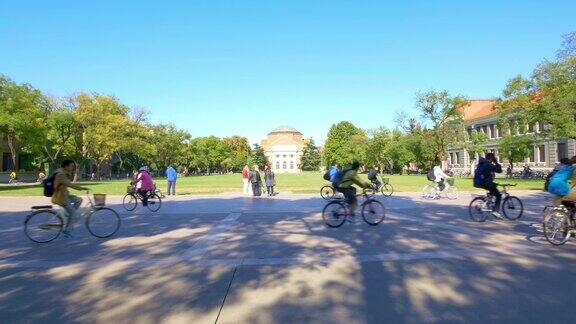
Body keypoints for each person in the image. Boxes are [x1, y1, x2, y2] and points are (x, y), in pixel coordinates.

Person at [52, 160, 89, 237]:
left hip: (64, 195)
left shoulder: (62, 172)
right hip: (61, 197)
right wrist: (82, 188)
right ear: (66, 166)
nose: (72, 168)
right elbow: (70, 184)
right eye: (71, 166)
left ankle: (69, 214)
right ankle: (66, 230)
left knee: (79, 200)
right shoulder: (61, 174)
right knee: (74, 214)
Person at [474, 153, 504, 219]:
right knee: (498, 195)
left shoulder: (482, 163)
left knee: (492, 189)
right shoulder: (488, 164)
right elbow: (499, 170)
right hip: (485, 182)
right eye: (493, 158)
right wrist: (496, 162)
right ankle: (495, 211)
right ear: (491, 158)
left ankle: (488, 201)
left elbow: (486, 174)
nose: (494, 159)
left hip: (480, 182)